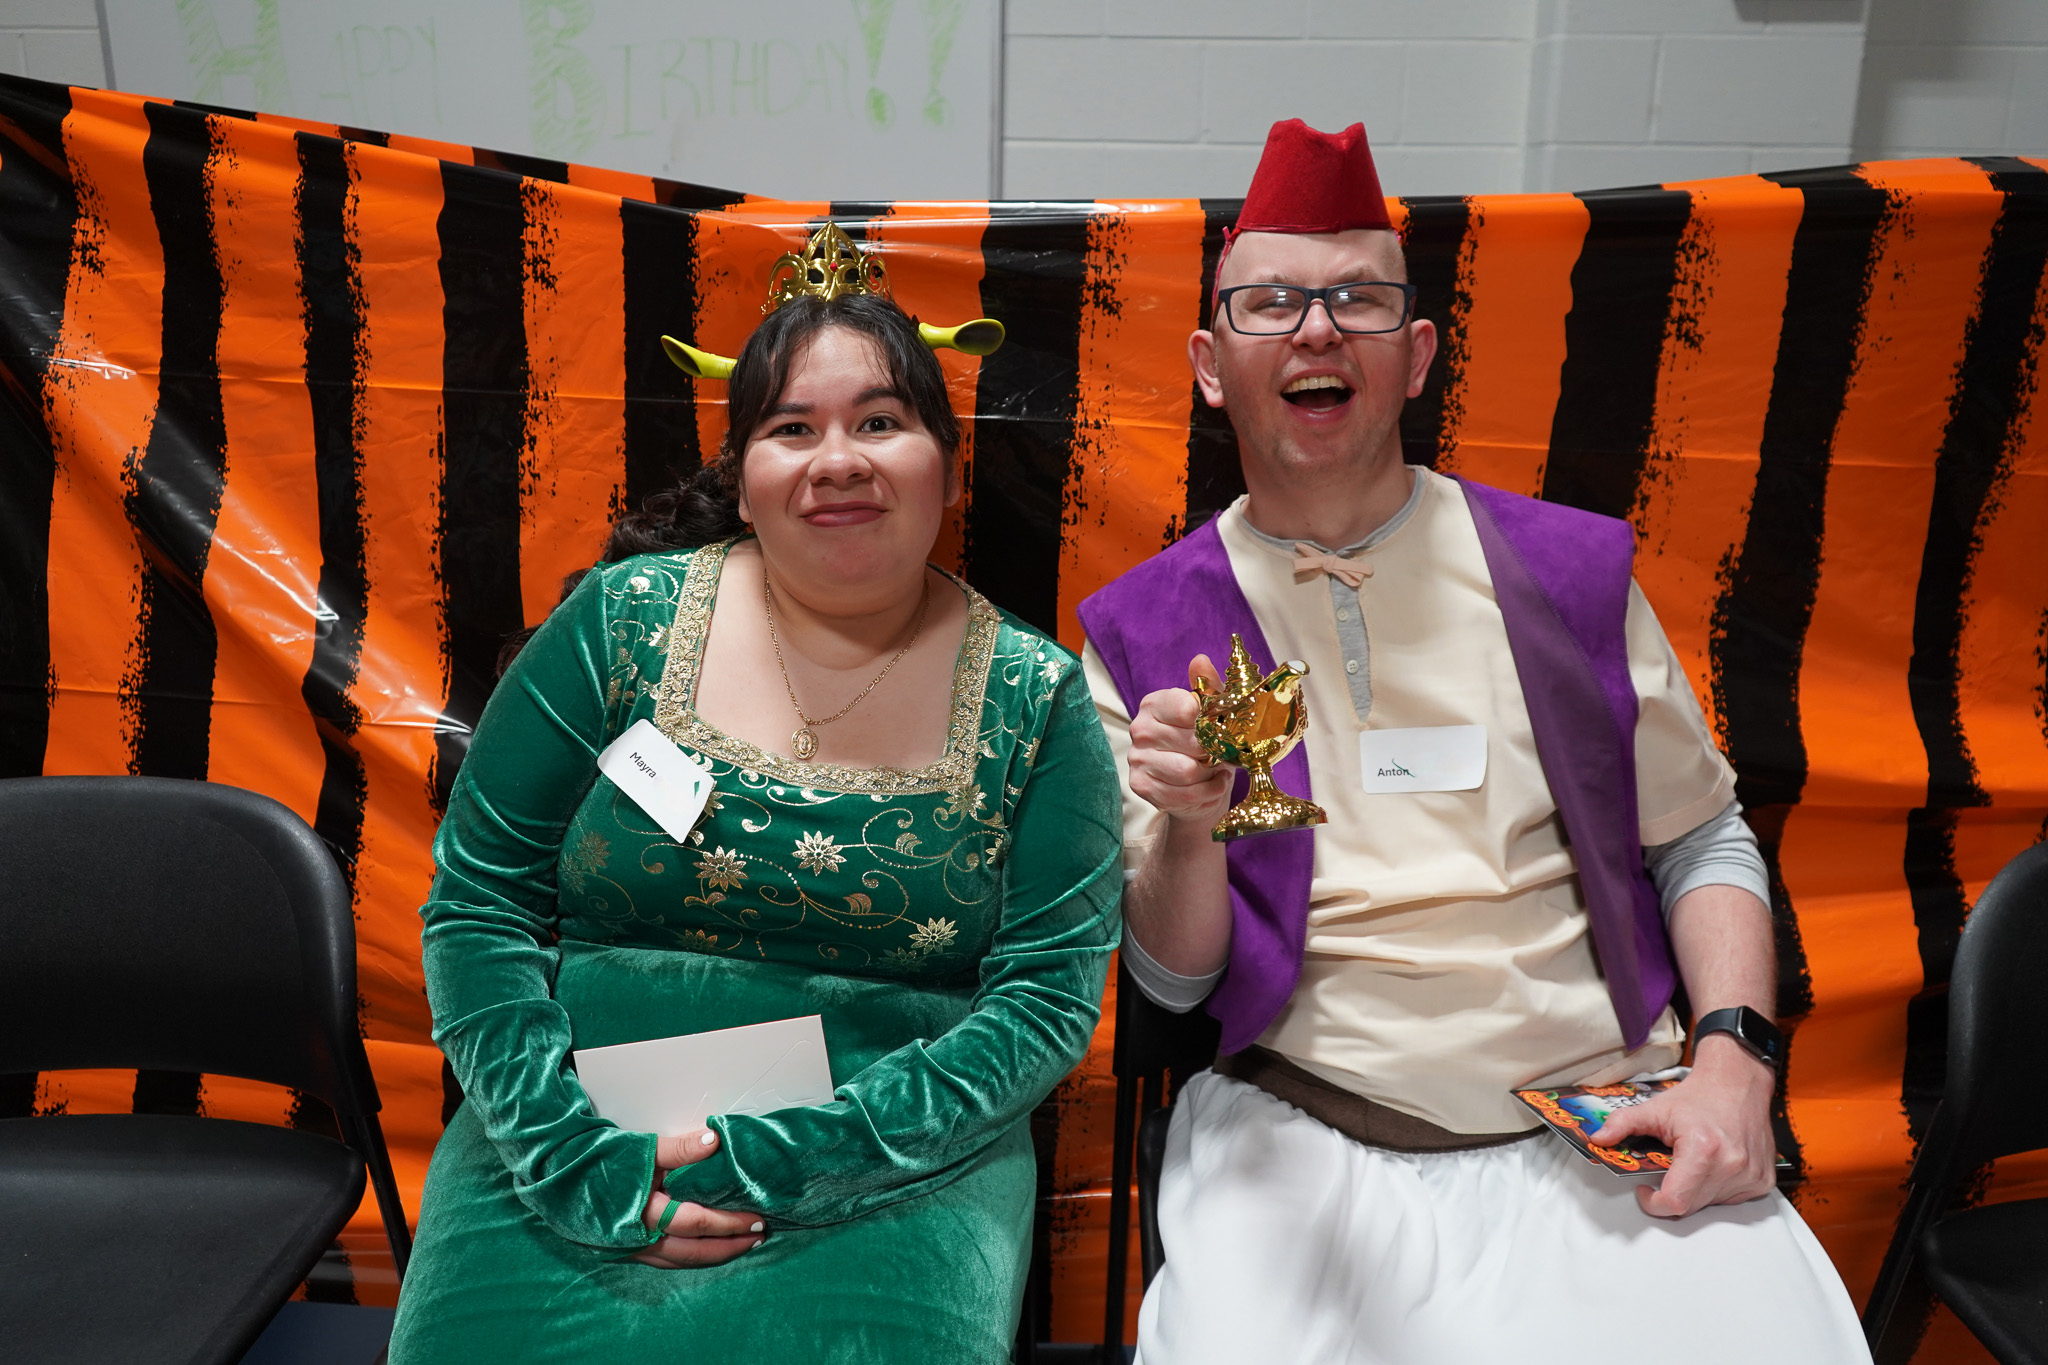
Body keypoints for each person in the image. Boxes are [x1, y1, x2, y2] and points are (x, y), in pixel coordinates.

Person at [1077, 120, 1869, 1364]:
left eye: (1359, 301)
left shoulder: (1565, 573)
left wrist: (1734, 1060)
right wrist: (1187, 824)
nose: (1318, 330)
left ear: (1418, 356)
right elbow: (1173, 986)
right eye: (1270, 302)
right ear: (1207, 363)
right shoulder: (1142, 632)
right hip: (1307, 1136)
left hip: (1598, 1126)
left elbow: (1699, 837)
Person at [387, 288, 1123, 1364]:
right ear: (741, 473)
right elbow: (477, 904)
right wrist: (567, 1155)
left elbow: (1048, 1000)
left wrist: (796, 1158)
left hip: (901, 1167)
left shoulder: (1036, 697)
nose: (837, 460)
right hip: (569, 1131)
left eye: (879, 422)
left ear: (949, 466)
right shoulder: (620, 619)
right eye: (792, 427)